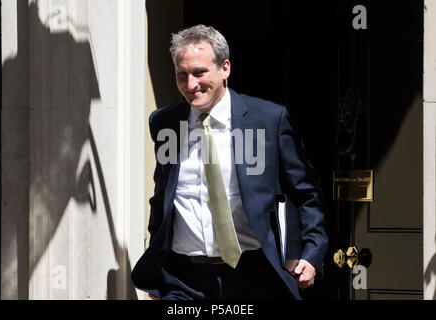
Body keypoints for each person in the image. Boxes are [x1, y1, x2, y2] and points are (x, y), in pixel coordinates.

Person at [131, 24, 328, 300]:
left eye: (199, 72)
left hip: (253, 276)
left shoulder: (269, 120)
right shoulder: (164, 123)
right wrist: (157, 267)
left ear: (225, 68)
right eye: (181, 75)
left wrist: (311, 252)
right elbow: (162, 199)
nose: (190, 85)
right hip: (182, 280)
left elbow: (306, 193)